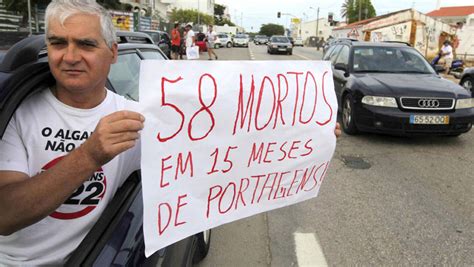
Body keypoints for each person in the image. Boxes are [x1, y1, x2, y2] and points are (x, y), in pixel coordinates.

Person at [0, 0, 143, 265]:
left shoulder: (134, 119)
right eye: (58, 43)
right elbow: (5, 215)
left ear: (112, 53)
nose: (70, 57)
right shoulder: (15, 112)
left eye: (86, 44)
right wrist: (89, 156)